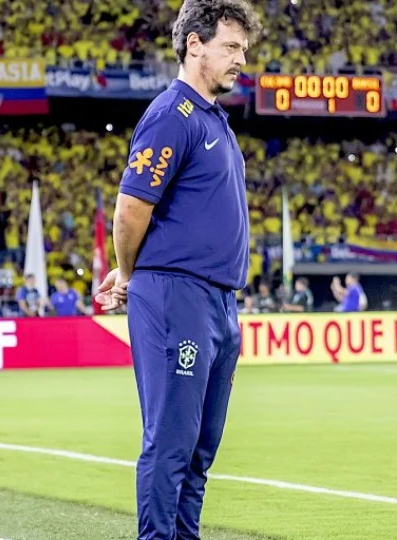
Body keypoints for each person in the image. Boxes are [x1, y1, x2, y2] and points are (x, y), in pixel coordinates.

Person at [94, 2, 261, 539]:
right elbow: (130, 208)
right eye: (231, 47)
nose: (241, 60)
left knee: (200, 449)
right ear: (195, 44)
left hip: (218, 302)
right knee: (171, 442)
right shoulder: (174, 114)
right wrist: (126, 274)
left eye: (243, 49)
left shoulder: (215, 120)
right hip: (177, 296)